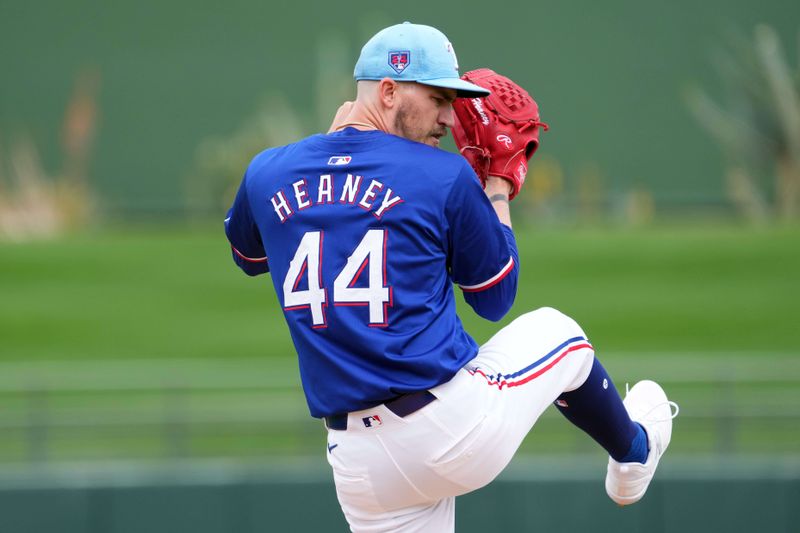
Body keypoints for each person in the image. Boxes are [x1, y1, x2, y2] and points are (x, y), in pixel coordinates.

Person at [225, 21, 678, 533]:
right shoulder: (441, 176)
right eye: (438, 98)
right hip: (449, 431)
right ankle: (635, 453)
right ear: (389, 90)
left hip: (358, 466)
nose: (448, 117)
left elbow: (249, 255)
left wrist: (329, 177)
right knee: (561, 335)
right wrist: (499, 185)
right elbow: (494, 296)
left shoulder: (269, 172)